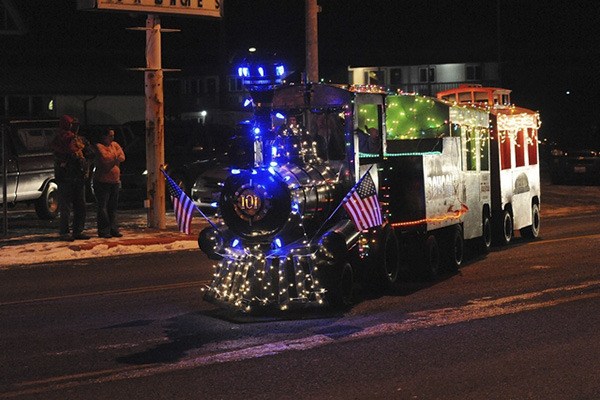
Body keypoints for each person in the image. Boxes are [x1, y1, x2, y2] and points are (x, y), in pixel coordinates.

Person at [51, 115, 94, 241]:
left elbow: (90, 153)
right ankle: (65, 232)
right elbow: (60, 156)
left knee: (80, 205)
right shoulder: (59, 139)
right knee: (66, 207)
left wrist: (84, 160)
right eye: (72, 125)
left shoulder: (78, 139)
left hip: (78, 177)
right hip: (66, 177)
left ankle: (77, 231)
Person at [93, 128, 126, 238]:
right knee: (103, 206)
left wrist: (114, 157)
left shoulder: (115, 145)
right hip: (103, 180)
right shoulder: (99, 146)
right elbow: (105, 158)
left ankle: (113, 229)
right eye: (110, 136)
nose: (112, 138)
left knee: (113, 207)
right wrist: (115, 157)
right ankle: (104, 230)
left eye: (113, 135)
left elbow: (122, 157)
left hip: (115, 181)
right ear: (104, 136)